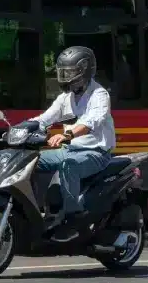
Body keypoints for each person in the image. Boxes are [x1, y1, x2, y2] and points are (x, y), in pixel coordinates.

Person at [30, 46, 116, 242]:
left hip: (95, 153)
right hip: (69, 150)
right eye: (62, 72)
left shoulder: (99, 95)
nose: (64, 77)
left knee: (69, 166)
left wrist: (67, 135)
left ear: (84, 71)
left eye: (69, 73)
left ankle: (74, 220)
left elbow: (92, 121)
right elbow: (45, 118)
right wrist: (22, 128)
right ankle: (32, 213)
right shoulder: (66, 97)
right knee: (29, 160)